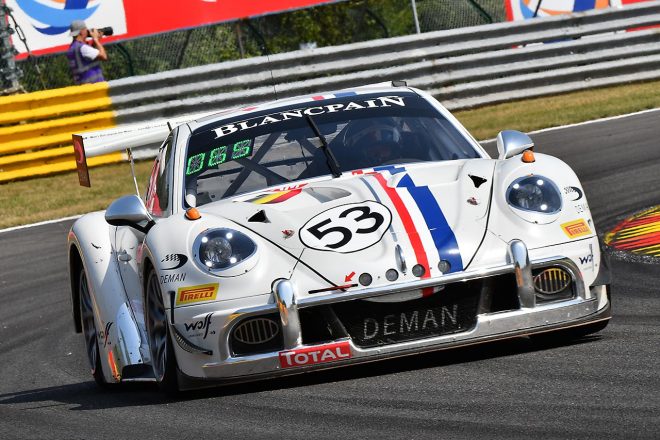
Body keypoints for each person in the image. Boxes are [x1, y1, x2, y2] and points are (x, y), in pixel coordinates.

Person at [67, 20, 108, 85]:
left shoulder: (72, 48)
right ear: (81, 32)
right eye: (86, 30)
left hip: (84, 86)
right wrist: (96, 40)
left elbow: (87, 58)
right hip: (94, 86)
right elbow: (104, 56)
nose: (87, 32)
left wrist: (95, 42)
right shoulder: (83, 48)